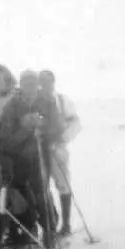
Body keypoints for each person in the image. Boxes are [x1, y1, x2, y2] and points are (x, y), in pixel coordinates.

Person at [0, 70, 65, 249]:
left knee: (41, 192)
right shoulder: (12, 106)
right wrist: (25, 128)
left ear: (37, 84)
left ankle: (49, 231)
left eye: (32, 83)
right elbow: (6, 139)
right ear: (20, 84)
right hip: (19, 157)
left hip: (41, 154)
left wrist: (43, 128)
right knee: (21, 193)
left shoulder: (47, 102)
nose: (29, 87)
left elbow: (58, 128)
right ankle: (26, 230)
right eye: (25, 83)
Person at [38, 70, 82, 236]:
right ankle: (50, 223)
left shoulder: (62, 100)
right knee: (42, 186)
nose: (44, 84)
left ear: (53, 82)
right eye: (41, 81)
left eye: (47, 81)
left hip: (57, 147)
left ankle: (66, 225)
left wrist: (62, 138)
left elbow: (75, 123)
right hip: (40, 148)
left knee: (62, 183)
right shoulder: (36, 100)